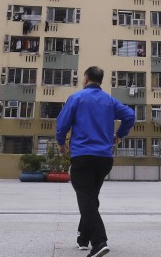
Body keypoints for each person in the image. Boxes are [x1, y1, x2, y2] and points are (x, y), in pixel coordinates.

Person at [56, 66, 135, 257]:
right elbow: (130, 115)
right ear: (101, 80)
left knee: (86, 198)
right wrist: (119, 134)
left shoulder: (77, 98)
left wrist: (61, 143)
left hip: (83, 156)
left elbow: (63, 123)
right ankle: (83, 238)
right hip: (104, 159)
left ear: (85, 79)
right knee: (90, 197)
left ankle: (99, 242)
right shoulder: (110, 100)